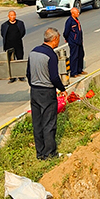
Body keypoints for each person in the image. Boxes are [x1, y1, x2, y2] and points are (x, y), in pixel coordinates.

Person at [26, 28, 66, 160]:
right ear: (54, 39)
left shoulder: (33, 52)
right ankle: (50, 153)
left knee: (37, 123)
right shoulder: (51, 55)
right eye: (58, 37)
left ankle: (40, 153)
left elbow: (28, 73)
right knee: (49, 123)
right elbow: (54, 77)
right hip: (47, 92)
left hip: (35, 91)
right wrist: (62, 88)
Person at [0, 10, 26, 83]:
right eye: (11, 15)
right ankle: (12, 77)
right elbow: (3, 34)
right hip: (9, 45)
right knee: (11, 61)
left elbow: (23, 32)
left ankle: (21, 76)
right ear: (8, 16)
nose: (12, 17)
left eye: (14, 15)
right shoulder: (4, 25)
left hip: (18, 44)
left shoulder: (20, 23)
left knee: (19, 60)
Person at [63, 7, 85, 78]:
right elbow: (66, 32)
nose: (78, 14)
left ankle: (79, 69)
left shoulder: (76, 20)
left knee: (81, 55)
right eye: (77, 13)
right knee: (74, 56)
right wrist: (67, 39)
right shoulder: (69, 21)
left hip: (79, 41)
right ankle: (73, 72)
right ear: (72, 13)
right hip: (73, 42)